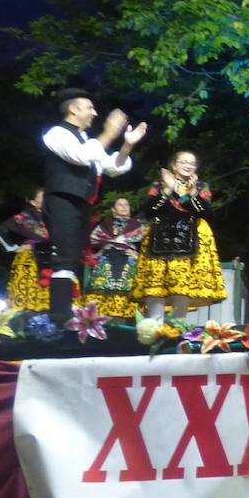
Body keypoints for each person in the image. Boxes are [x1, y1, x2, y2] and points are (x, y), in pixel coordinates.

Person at [40, 87, 146, 322]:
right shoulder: (57, 133)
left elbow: (111, 166)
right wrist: (109, 132)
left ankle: (65, 317)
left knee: (72, 258)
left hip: (81, 205)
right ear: (73, 109)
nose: (95, 113)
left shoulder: (87, 140)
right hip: (63, 201)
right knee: (64, 258)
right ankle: (59, 318)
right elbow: (81, 156)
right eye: (89, 107)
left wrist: (127, 144)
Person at [132, 151, 227, 320]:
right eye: (184, 162)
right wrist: (168, 190)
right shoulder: (160, 184)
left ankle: (178, 329)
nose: (188, 165)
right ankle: (154, 327)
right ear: (174, 165)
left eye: (192, 163)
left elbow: (207, 213)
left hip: (191, 240)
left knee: (183, 286)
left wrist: (191, 194)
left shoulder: (200, 186)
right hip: (160, 239)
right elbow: (149, 211)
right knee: (156, 286)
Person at [83, 197, 147, 318]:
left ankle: (127, 322)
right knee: (100, 290)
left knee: (128, 291)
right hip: (107, 261)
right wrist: (100, 252)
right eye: (120, 204)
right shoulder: (105, 225)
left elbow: (146, 246)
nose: (124, 207)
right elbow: (95, 241)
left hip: (129, 262)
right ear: (113, 210)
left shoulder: (138, 227)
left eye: (126, 204)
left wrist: (137, 255)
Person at [0, 188, 49, 311]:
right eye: (43, 196)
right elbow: (0, 231)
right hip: (29, 261)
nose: (47, 199)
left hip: (50, 261)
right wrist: (13, 247)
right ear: (33, 202)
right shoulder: (26, 217)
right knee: (24, 298)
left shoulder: (53, 218)